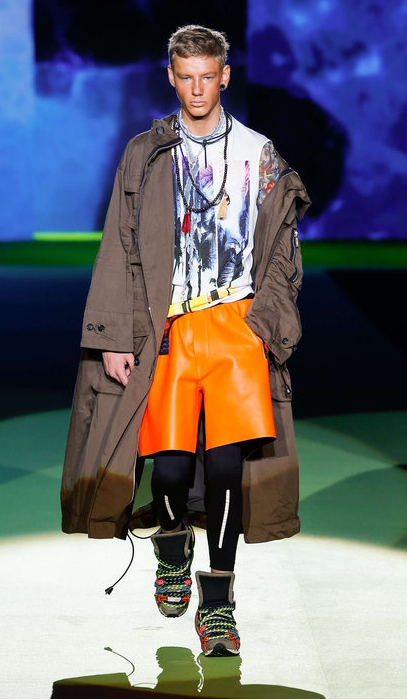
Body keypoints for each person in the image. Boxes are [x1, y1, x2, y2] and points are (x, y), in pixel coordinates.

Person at [60, 24, 311, 657]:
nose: (198, 89)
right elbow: (120, 243)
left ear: (225, 75)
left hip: (235, 327)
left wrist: (266, 322)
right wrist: (116, 335)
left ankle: (219, 605)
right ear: (171, 77)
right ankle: (172, 548)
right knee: (168, 469)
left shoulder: (259, 154)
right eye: (186, 77)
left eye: (208, 76)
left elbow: (282, 249)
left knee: (226, 469)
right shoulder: (147, 154)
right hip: (167, 328)